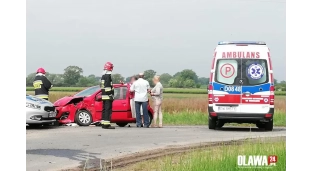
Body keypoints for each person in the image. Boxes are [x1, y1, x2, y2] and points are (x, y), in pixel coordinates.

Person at [100, 62, 115, 129]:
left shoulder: (103, 76)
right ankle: (107, 125)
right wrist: (110, 95)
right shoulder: (108, 76)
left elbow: (102, 86)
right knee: (108, 110)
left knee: (104, 109)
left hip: (104, 96)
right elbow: (108, 87)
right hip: (108, 96)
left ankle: (103, 124)